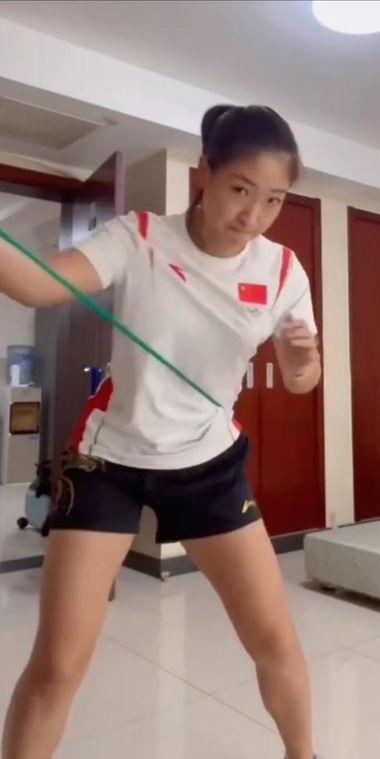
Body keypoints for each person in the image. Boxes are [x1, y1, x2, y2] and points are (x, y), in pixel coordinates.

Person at [1, 104, 322, 759]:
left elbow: (302, 379)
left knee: (276, 641)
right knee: (59, 663)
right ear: (205, 172)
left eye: (274, 200)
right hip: (109, 463)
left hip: (209, 465)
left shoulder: (285, 270)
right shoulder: (140, 236)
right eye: (240, 189)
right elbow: (37, 285)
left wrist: (300, 359)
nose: (253, 216)